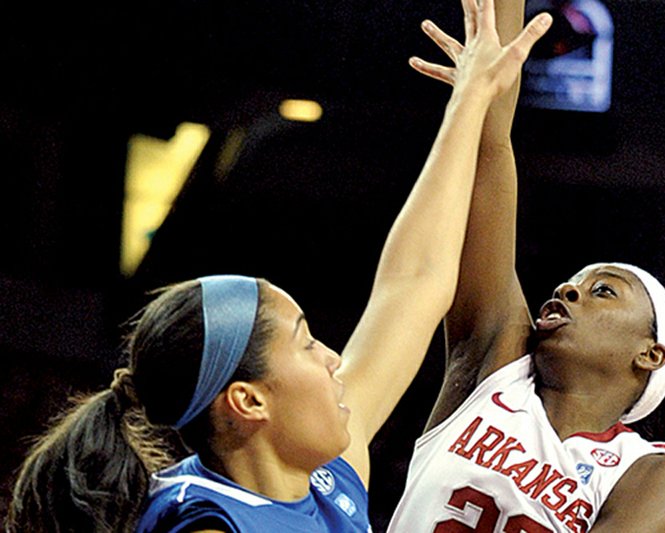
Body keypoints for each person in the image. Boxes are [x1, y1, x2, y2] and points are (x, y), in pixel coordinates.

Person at [4, 2, 554, 532]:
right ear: (248, 400)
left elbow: (414, 283)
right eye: (307, 342)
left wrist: (470, 98)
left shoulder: (321, 478)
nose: (335, 358)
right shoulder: (207, 522)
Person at [388, 1, 665, 531]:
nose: (566, 292)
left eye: (603, 291)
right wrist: (482, 83)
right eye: (570, 285)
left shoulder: (650, 474)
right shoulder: (494, 372)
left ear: (649, 354)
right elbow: (490, 152)